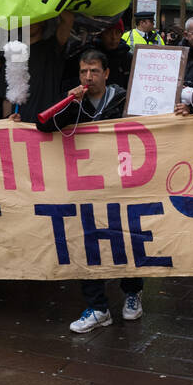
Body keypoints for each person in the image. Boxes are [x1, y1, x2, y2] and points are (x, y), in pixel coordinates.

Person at [38, 51, 141, 331]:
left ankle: (132, 293)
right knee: (87, 241)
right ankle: (98, 307)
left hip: (122, 181)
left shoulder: (124, 99)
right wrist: (71, 104)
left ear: (106, 74)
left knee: (126, 238)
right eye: (83, 71)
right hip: (86, 184)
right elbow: (44, 125)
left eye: (94, 71)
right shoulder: (73, 100)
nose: (88, 77)